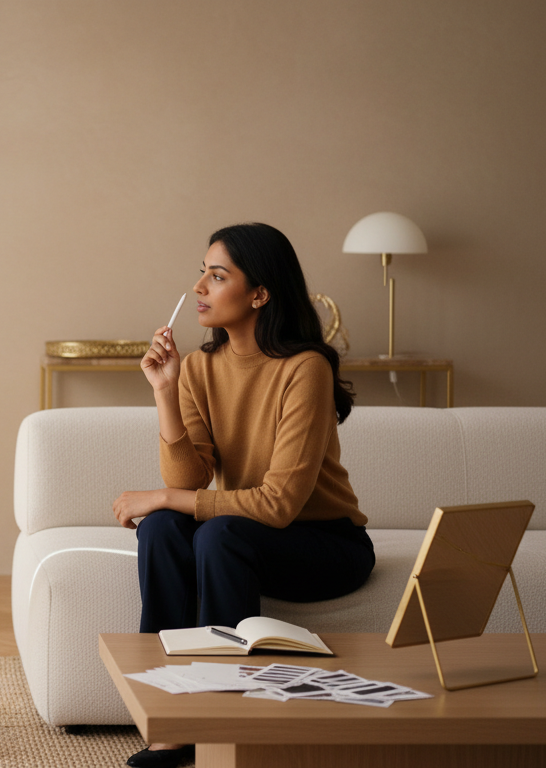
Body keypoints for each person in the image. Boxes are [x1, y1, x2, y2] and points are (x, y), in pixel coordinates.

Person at [114, 223, 375, 768]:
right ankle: (167, 719)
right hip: (239, 535)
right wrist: (165, 391)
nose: (199, 289)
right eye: (202, 274)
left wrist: (163, 497)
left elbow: (278, 504)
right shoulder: (202, 368)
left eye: (217, 276)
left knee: (214, 532)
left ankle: (224, 724)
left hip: (325, 543)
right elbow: (190, 480)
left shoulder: (307, 369)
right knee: (166, 529)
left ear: (259, 294)